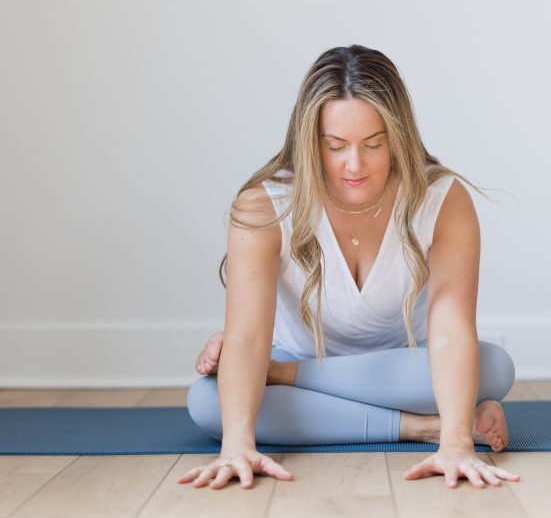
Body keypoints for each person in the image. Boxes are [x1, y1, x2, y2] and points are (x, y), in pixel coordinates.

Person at [178, 45, 522, 492]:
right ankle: (422, 427)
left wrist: (460, 445)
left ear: (398, 138)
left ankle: (282, 376)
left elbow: (451, 330)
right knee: (206, 405)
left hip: (405, 368)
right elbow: (245, 336)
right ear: (309, 141)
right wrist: (237, 446)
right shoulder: (264, 205)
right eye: (335, 146)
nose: (354, 165)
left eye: (374, 145)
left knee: (495, 368)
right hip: (297, 351)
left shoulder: (444, 200)